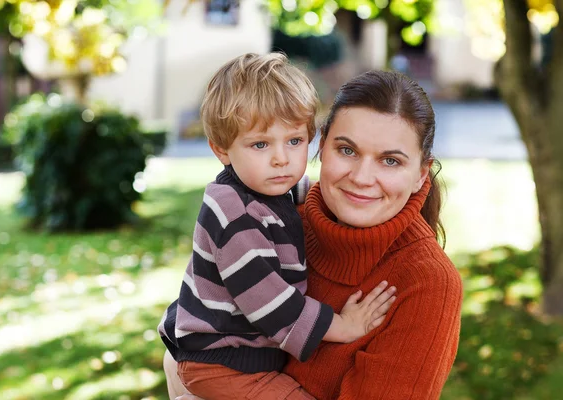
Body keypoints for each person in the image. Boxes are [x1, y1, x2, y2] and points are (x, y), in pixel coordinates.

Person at [166, 69, 463, 400]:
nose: (362, 178)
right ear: (322, 147)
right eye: (347, 150)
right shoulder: (277, 220)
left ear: (421, 174)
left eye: (390, 161)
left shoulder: (427, 281)